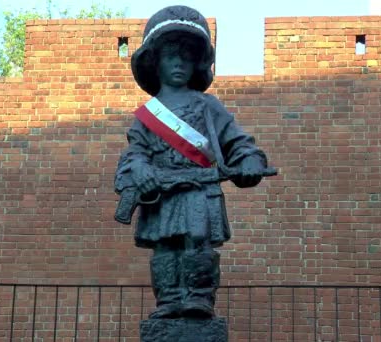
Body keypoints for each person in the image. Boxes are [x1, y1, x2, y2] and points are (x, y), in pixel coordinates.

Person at [114, 5, 273, 319]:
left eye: (186, 56)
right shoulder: (148, 116)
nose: (179, 63)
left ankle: (199, 298)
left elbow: (238, 143)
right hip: (161, 191)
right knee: (164, 248)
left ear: (196, 63)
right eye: (171, 56)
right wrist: (142, 170)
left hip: (200, 190)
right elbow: (134, 154)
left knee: (197, 245)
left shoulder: (208, 106)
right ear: (156, 62)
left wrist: (250, 161)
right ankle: (169, 300)